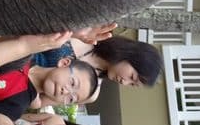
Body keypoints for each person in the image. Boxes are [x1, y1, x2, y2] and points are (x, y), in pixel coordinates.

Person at [0, 57, 100, 120]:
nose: (66, 91)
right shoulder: (23, 53)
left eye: (71, 98)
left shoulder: (16, 106)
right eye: (72, 83)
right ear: (64, 62)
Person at [31, 35, 164, 88]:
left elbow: (38, 101)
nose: (124, 82)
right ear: (132, 55)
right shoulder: (90, 35)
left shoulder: (90, 90)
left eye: (132, 84)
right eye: (131, 77)